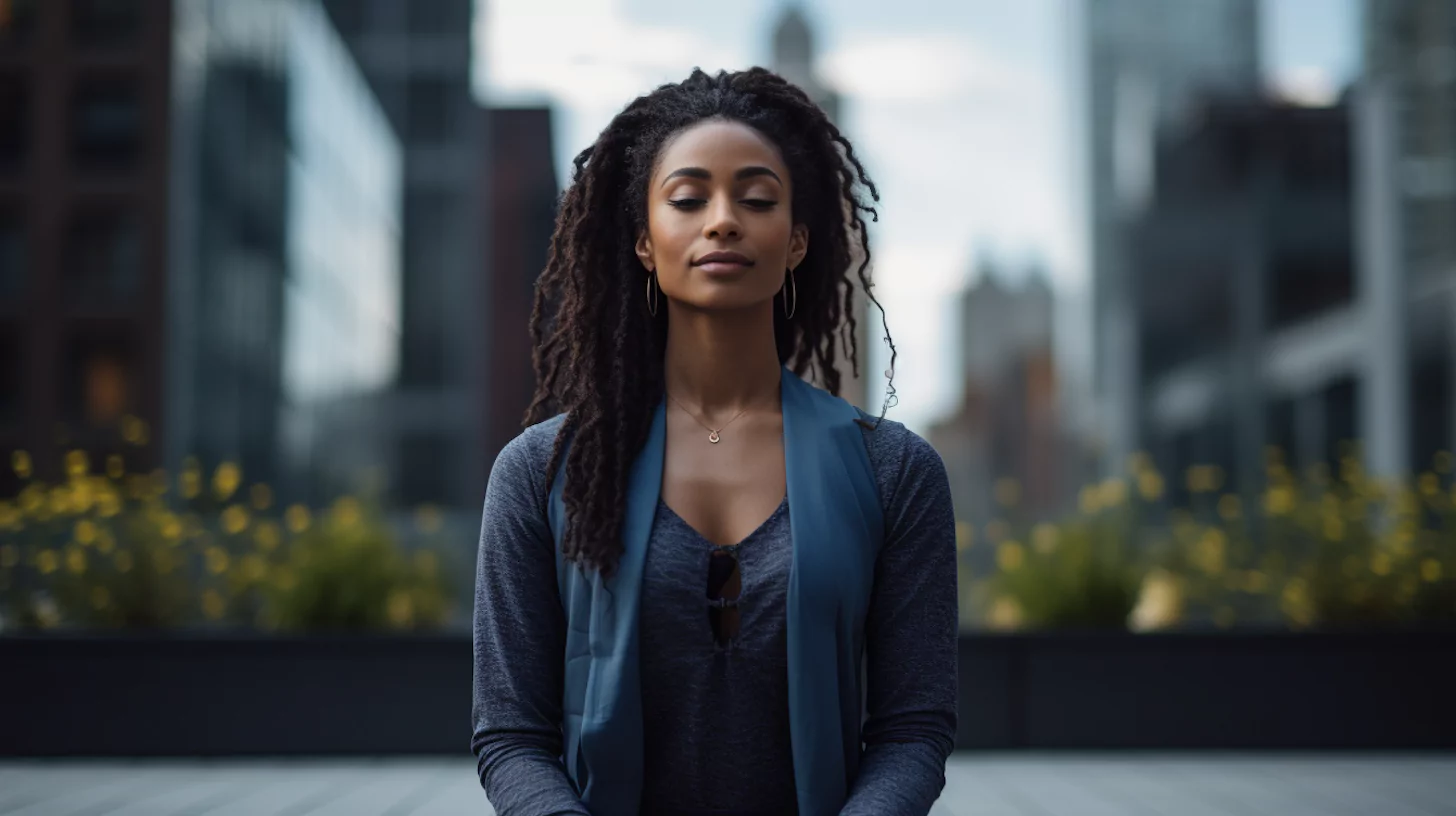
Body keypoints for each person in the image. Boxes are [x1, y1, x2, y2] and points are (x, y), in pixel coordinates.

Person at [471, 67, 958, 816]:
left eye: (757, 198)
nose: (723, 220)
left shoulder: (893, 471)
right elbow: (511, 734)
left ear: (797, 241)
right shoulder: (542, 471)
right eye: (688, 199)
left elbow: (911, 731)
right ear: (643, 240)